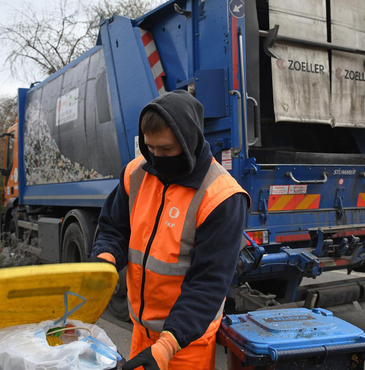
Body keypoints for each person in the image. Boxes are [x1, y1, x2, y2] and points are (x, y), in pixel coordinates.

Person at [90, 90, 250, 370]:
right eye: (150, 148)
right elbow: (113, 228)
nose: (155, 157)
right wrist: (105, 262)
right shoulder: (136, 173)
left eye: (165, 150)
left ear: (189, 142)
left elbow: (209, 283)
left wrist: (166, 346)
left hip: (186, 341)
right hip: (141, 332)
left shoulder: (221, 197)